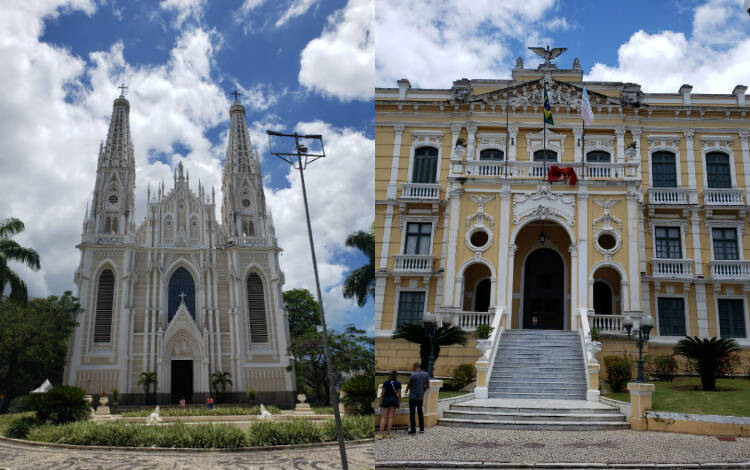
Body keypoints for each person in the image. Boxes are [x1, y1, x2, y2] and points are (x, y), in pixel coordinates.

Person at [404, 362, 430, 434]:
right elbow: (428, 386)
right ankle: (421, 428)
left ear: (415, 367)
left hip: (413, 396)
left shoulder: (413, 374)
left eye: (413, 367)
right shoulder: (426, 374)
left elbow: (409, 384)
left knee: (412, 413)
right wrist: (422, 390)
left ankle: (413, 430)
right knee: (420, 412)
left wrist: (406, 390)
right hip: (420, 397)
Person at [376, 371, 401, 439]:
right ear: (396, 376)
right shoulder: (398, 383)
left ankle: (380, 434)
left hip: (386, 401)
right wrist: (399, 403)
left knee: (383, 417)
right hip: (393, 401)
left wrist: (379, 403)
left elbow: (382, 393)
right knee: (390, 418)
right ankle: (388, 434)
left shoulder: (386, 383)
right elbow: (399, 395)